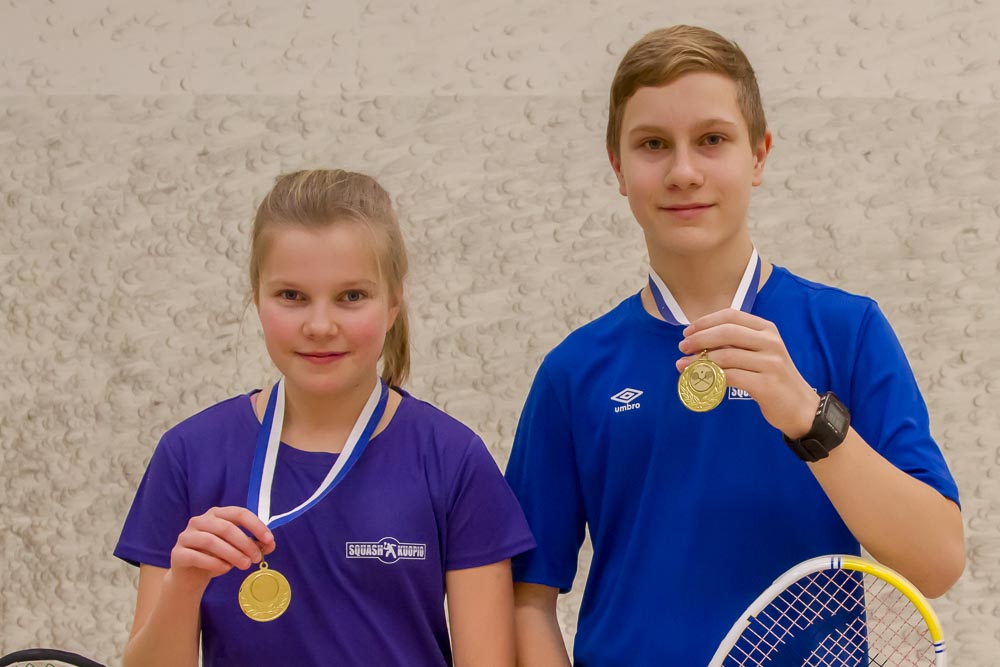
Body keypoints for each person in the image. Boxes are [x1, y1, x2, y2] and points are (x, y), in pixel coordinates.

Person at [505, 25, 964, 666]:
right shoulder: (574, 371)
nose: (684, 172)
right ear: (617, 167)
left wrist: (809, 417)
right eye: (653, 144)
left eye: (712, 140)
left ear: (759, 156)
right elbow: (523, 596)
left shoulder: (848, 330)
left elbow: (938, 562)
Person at [115, 169, 535, 667]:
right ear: (256, 297)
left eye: (351, 296)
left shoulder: (453, 459)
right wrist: (183, 584)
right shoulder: (188, 455)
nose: (319, 325)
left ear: (393, 302)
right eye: (291, 296)